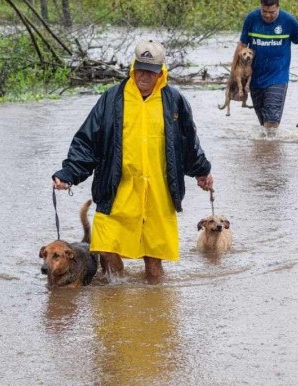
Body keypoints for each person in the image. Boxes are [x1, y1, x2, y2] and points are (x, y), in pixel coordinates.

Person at [52, 40, 213, 282]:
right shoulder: (112, 99)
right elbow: (88, 140)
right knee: (105, 247)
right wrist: (69, 173)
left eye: (150, 71)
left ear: (161, 71)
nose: (144, 76)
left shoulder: (174, 101)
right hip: (118, 189)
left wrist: (202, 171)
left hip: (158, 192)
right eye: (140, 69)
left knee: (154, 263)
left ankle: (152, 308)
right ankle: (117, 301)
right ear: (132, 67)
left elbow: (188, 142)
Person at [233, 0, 298, 133]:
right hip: (255, 77)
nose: (268, 15)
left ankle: (272, 151)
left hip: (278, 77)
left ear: (278, 7)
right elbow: (242, 45)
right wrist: (234, 73)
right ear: (260, 7)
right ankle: (266, 152)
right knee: (263, 123)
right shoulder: (252, 18)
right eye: (264, 11)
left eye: (272, 12)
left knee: (272, 120)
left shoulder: (288, 21)